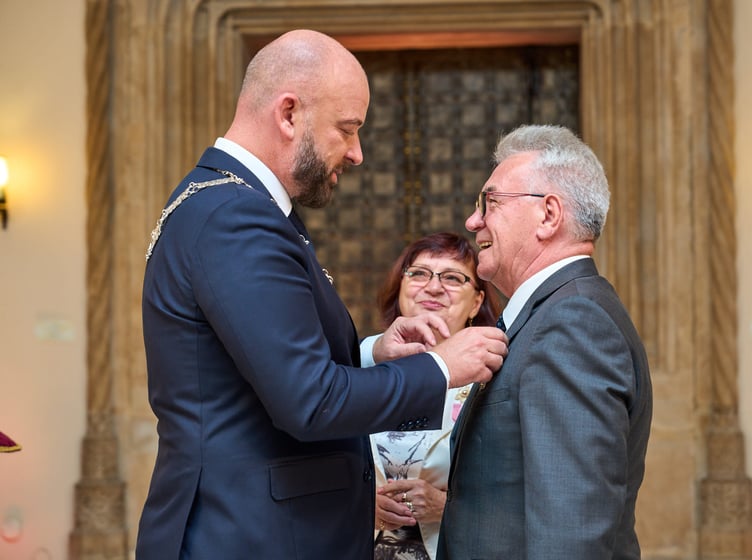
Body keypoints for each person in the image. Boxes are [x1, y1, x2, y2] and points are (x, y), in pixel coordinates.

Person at [136, 30, 507, 560]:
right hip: (250, 534)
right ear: (289, 114)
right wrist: (442, 368)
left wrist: (371, 353)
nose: (357, 153)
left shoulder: (226, 204)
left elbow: (258, 364)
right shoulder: (236, 218)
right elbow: (309, 402)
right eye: (347, 129)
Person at [437, 124, 653, 560]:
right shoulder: (550, 315)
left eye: (490, 202)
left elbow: (572, 531)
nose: (472, 221)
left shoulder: (573, 323)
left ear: (549, 215)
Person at [360, 232, 499, 559]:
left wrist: (449, 505)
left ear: (477, 302)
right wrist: (359, 499)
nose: (433, 287)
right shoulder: (360, 367)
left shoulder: (496, 376)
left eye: (452, 277)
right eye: (419, 274)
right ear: (400, 287)